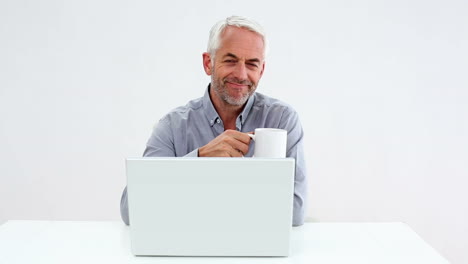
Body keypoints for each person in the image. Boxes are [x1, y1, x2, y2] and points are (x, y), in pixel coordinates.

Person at [120, 16, 307, 226]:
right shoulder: (172, 126)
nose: (241, 74)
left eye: (252, 64)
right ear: (208, 63)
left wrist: (187, 202)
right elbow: (132, 210)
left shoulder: (281, 120)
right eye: (230, 61)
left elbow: (294, 212)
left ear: (261, 70)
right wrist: (199, 160)